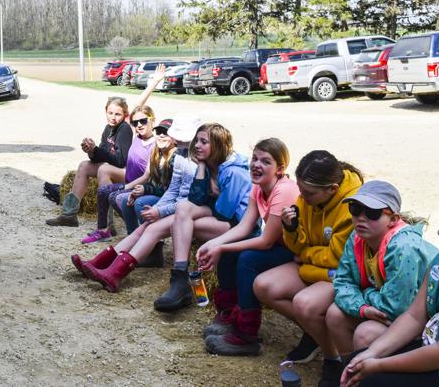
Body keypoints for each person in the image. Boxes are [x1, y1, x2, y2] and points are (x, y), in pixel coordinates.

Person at [341, 185, 439, 387]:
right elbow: (415, 316)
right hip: (434, 347)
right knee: (357, 362)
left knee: (372, 380)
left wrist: (379, 365)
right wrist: (371, 354)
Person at [253, 150, 363, 387]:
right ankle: (316, 335)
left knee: (305, 303)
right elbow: (299, 246)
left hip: (342, 275)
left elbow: (338, 259)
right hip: (317, 268)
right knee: (263, 286)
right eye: (301, 191)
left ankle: (333, 359)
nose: (302, 197)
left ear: (332, 189)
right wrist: (291, 230)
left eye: (309, 193)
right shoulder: (309, 196)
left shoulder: (351, 206)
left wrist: (304, 259)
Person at [196, 138, 300, 355]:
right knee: (232, 247)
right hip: (280, 247)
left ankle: (246, 333)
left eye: (265, 161)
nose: (256, 165)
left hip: (298, 251)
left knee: (248, 258)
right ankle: (230, 312)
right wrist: (214, 243)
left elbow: (266, 241)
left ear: (280, 169)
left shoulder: (285, 191)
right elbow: (244, 227)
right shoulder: (258, 186)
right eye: (254, 158)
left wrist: (221, 248)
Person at [71, 116, 201, 288]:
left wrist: (159, 211)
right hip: (182, 206)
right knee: (143, 227)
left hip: (193, 209)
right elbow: (173, 191)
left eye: (182, 140)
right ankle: (100, 264)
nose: (178, 142)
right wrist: (158, 208)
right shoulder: (181, 156)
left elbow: (191, 199)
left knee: (151, 228)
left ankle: (114, 273)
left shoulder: (195, 162)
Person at [326, 181, 438, 357]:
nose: (361, 218)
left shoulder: (404, 247)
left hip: (424, 321)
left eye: (372, 213)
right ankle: (346, 371)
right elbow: (342, 281)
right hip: (388, 308)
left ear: (393, 219)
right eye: (355, 209)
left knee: (366, 333)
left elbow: (396, 308)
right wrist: (362, 308)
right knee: (334, 314)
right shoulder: (358, 236)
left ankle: (365, 375)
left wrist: (366, 293)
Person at [154, 123, 252, 312]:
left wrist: (215, 194)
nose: (197, 145)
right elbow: (195, 199)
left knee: (181, 224)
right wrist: (200, 166)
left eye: (204, 142)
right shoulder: (208, 165)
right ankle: (180, 277)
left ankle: (182, 284)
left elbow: (226, 213)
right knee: (183, 210)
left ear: (218, 145)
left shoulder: (234, 172)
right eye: (197, 140)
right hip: (222, 217)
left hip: (240, 226)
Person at [45, 97, 133, 227]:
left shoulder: (124, 129)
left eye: (117, 114)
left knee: (104, 170)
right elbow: (104, 155)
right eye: (110, 113)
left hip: (127, 174)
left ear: (125, 115)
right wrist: (91, 151)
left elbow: (120, 161)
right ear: (106, 111)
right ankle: (69, 215)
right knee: (84, 166)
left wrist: (97, 150)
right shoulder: (108, 128)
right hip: (114, 168)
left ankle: (107, 226)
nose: (113, 117)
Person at [82, 106, 157, 243]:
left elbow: (147, 176)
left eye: (143, 121)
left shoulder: (155, 145)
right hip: (129, 182)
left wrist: (154, 83)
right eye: (135, 123)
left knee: (114, 195)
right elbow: (134, 108)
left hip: (140, 186)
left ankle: (136, 231)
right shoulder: (137, 137)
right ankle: (103, 230)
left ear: (152, 119)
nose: (139, 125)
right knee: (104, 192)